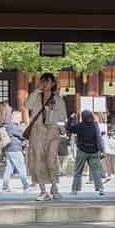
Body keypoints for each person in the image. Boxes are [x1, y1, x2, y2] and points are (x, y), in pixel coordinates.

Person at [26, 72, 67, 201]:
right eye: (42, 81)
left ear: (53, 83)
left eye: (47, 81)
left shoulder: (58, 99)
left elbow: (63, 117)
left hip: (53, 131)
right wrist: (36, 90)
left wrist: (54, 114)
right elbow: (27, 105)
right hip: (37, 131)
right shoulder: (36, 97)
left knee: (51, 159)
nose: (45, 84)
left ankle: (54, 187)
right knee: (37, 159)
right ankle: (43, 190)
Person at [70, 109, 107, 194]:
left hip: (82, 151)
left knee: (78, 171)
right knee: (96, 171)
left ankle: (75, 189)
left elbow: (69, 128)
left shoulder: (80, 126)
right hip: (94, 151)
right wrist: (102, 150)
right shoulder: (95, 125)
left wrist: (71, 119)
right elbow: (98, 138)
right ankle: (100, 189)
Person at [1, 108, 31, 192]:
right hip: (15, 149)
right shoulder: (14, 126)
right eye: (19, 117)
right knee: (21, 167)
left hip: (8, 149)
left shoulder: (8, 126)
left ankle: (5, 186)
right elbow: (22, 135)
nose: (21, 119)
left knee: (9, 168)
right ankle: (26, 185)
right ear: (15, 117)